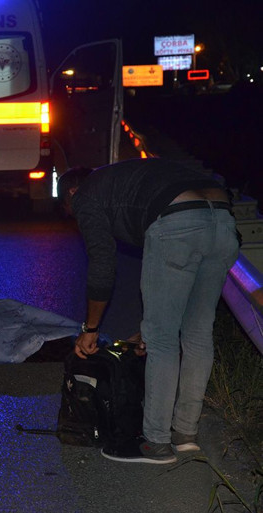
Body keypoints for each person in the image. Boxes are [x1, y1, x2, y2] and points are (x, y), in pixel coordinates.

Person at [57, 158, 239, 464]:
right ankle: (185, 433)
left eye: (71, 213)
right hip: (223, 220)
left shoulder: (86, 195)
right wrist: (148, 325)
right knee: (197, 332)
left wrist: (90, 329)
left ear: (72, 193)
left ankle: (156, 442)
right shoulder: (125, 180)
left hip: (178, 220)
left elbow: (102, 264)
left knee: (162, 340)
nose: (77, 219)